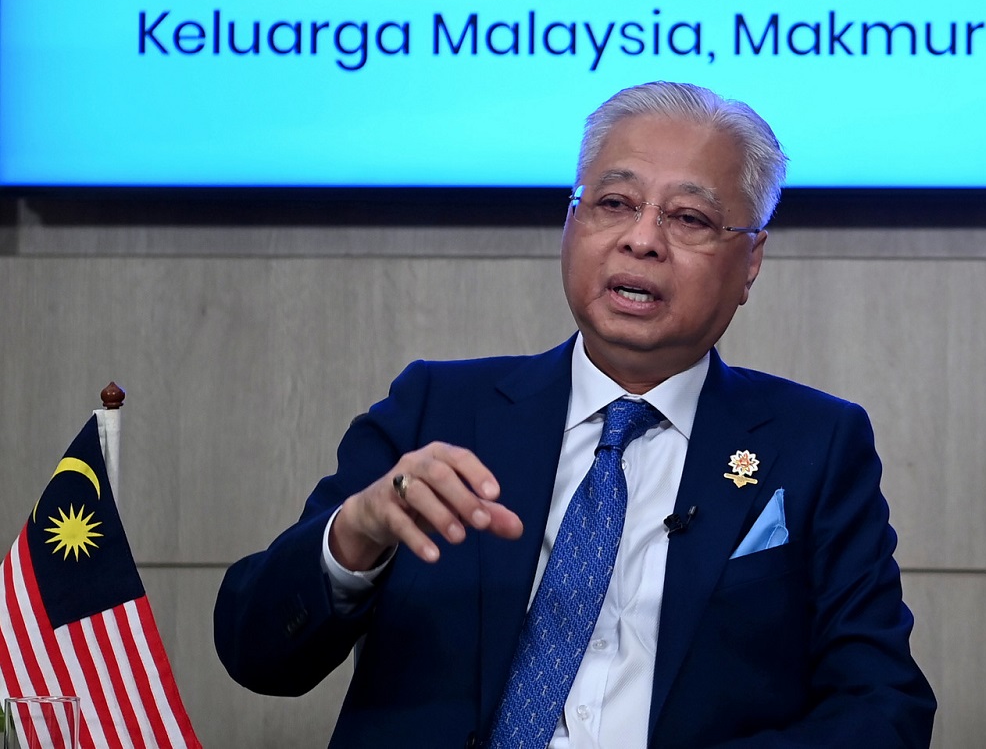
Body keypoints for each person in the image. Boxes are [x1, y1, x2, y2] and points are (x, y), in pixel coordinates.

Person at [214, 81, 936, 748]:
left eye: (687, 217)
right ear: (572, 221)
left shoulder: (816, 446)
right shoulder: (438, 410)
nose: (642, 239)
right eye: (614, 203)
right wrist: (357, 535)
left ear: (749, 262)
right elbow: (257, 652)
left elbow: (883, 708)